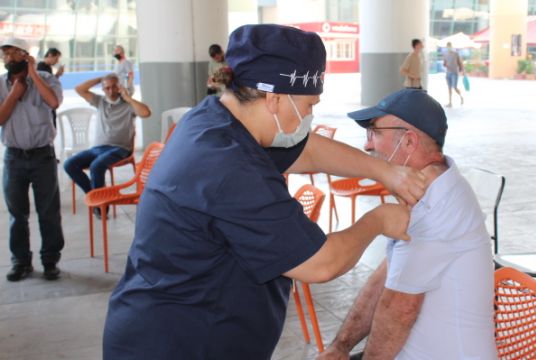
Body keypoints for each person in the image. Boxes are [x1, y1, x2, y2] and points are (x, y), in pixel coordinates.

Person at [102, 24, 427, 360]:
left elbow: (308, 149)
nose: (310, 116)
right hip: (179, 343)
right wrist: (378, 220)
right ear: (274, 98)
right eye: (309, 104)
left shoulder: (217, 120)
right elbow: (320, 264)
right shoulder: (229, 167)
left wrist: (386, 171)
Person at [318, 88, 497, 359]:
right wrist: (339, 348)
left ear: (409, 142)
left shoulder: (439, 203)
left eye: (375, 132)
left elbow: (398, 311)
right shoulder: (424, 191)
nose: (368, 145)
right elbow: (383, 280)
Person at [0, 37, 65, 281]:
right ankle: (21, 262)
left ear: (26, 55)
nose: (7, 58)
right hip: (14, 158)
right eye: (4, 54)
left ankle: (50, 261)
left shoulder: (46, 79)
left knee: (48, 212)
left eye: (12, 53)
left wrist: (33, 75)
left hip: (42, 157)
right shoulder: (1, 85)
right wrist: (15, 93)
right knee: (17, 214)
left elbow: (53, 102)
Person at [63, 74, 151, 216]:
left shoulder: (128, 104)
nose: (111, 91)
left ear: (119, 87)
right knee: (69, 164)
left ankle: (100, 208)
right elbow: (79, 89)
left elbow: (146, 113)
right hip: (98, 148)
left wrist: (128, 98)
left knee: (97, 166)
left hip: (120, 149)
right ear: (103, 89)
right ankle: (95, 195)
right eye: (107, 88)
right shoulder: (100, 101)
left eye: (114, 86)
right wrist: (100, 79)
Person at [37, 47, 64, 129]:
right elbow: (45, 85)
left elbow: (51, 83)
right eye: (56, 58)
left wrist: (58, 75)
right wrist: (58, 74)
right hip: (46, 102)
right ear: (50, 55)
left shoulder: (48, 67)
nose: (57, 61)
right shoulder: (41, 67)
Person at [443, 41, 464, 107]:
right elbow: (444, 63)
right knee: (449, 88)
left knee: (455, 87)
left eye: (449, 46)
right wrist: (445, 65)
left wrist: (462, 70)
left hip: (454, 72)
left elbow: (460, 62)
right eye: (447, 46)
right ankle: (450, 102)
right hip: (448, 73)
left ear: (451, 46)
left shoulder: (456, 54)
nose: (448, 47)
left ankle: (461, 97)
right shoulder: (445, 54)